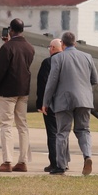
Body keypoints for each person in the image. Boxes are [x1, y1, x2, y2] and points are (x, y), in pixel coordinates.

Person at [42, 31, 98, 176]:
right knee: (84, 130)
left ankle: (61, 165)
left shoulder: (58, 58)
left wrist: (46, 102)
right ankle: (87, 156)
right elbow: (95, 79)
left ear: (62, 43)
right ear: (74, 42)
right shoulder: (87, 57)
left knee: (62, 132)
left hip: (64, 100)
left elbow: (52, 82)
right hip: (84, 100)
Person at [0, 18, 35, 172]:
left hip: (7, 91)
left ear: (11, 30)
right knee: (22, 126)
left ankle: (7, 161)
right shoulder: (30, 48)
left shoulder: (6, 48)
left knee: (6, 125)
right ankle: (23, 161)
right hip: (23, 90)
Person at [36, 38, 63, 173]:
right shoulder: (67, 60)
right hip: (65, 103)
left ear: (52, 48)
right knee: (63, 133)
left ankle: (54, 162)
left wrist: (41, 103)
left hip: (52, 103)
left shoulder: (48, 62)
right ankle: (63, 162)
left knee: (52, 133)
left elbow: (43, 84)